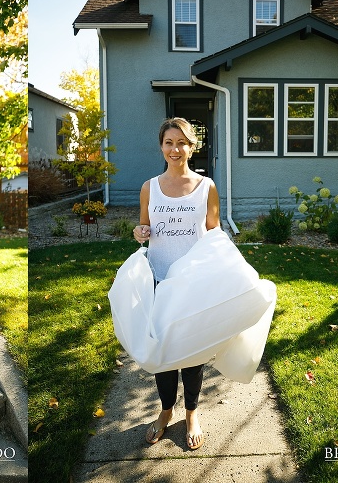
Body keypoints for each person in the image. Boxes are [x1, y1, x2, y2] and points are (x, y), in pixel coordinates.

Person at [132, 117, 220, 451]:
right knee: (164, 351)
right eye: (169, 142)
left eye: (181, 142)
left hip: (193, 282)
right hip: (159, 279)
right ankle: (166, 411)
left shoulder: (206, 187)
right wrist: (139, 232)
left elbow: (213, 233)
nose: (175, 149)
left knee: (192, 352)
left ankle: (192, 412)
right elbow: (142, 228)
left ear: (192, 147)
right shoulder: (149, 187)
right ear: (161, 147)